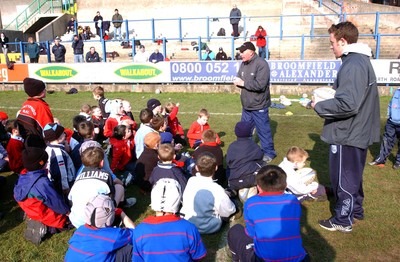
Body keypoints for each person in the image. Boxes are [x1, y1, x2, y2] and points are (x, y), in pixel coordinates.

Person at [312, 22, 380, 233]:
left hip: (347, 132)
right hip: (355, 130)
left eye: (332, 42)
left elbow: (349, 104)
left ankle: (343, 220)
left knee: (344, 178)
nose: (331, 47)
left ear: (343, 41)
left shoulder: (353, 64)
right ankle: (355, 210)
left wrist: (319, 105)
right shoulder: (358, 61)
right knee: (352, 175)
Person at [227, 165, 309, 262]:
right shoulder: (293, 201)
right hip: (299, 259)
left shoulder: (251, 203)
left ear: (258, 187)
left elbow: (252, 234)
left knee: (235, 230)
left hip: (263, 259)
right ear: (285, 185)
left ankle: (237, 259)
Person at [132, 178, 207, 261]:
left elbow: (138, 259)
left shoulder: (139, 231)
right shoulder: (189, 228)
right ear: (178, 200)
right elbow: (199, 256)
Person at [14, 147, 71, 245]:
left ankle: (36, 221)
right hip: (52, 218)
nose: (48, 164)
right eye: (46, 162)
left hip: (34, 212)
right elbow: (55, 202)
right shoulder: (41, 183)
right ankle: (49, 228)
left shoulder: (23, 176)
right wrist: (67, 212)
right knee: (72, 216)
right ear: (40, 164)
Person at [233, 41, 276, 163]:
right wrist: (237, 81)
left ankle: (269, 153)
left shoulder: (262, 64)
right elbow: (241, 79)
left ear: (251, 52)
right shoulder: (243, 64)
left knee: (263, 131)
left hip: (259, 105)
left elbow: (261, 85)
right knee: (245, 132)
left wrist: (243, 83)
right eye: (240, 51)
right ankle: (247, 151)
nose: (240, 54)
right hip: (246, 105)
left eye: (242, 51)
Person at [65, 194, 135, 261]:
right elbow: (135, 234)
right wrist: (121, 213)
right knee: (131, 250)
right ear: (109, 218)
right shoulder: (113, 235)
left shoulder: (80, 230)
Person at [181, 152, 236, 234]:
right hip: (209, 227)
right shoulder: (217, 189)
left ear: (196, 167)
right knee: (233, 205)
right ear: (216, 168)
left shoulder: (191, 180)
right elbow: (229, 211)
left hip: (188, 223)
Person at [226, 121, 265, 201]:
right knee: (262, 165)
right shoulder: (254, 145)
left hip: (234, 179)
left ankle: (233, 190)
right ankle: (254, 188)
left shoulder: (232, 146)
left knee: (228, 168)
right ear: (250, 132)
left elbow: (228, 161)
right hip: (251, 178)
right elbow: (260, 157)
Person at [369, 88, 400, 169]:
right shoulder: (397, 91)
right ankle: (381, 159)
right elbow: (391, 103)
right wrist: (389, 115)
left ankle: (398, 161)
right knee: (386, 141)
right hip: (391, 122)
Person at [17, 77, 54, 144]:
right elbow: (48, 128)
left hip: (27, 142)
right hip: (39, 144)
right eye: (43, 88)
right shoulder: (41, 106)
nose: (45, 90)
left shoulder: (26, 103)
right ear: (40, 92)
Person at [43, 123, 75, 198]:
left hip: (55, 184)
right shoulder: (58, 153)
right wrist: (65, 187)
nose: (65, 134)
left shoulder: (49, 148)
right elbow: (62, 172)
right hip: (63, 185)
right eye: (63, 133)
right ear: (58, 137)